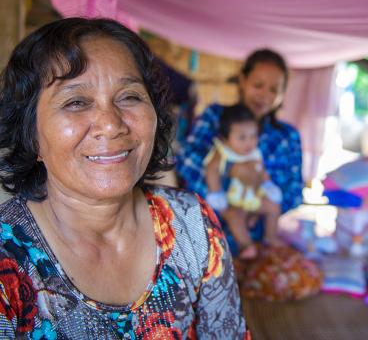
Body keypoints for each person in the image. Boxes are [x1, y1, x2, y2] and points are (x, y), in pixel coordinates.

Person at [0, 18, 249, 339]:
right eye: (76, 102)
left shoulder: (192, 224)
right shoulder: (9, 262)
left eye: (129, 96)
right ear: (31, 135)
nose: (111, 124)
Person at [176, 49, 303, 254]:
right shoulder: (215, 116)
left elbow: (294, 193)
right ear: (243, 81)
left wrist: (256, 208)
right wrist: (231, 173)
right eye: (258, 85)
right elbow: (186, 160)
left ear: (283, 93)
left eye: (274, 89)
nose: (264, 95)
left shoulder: (288, 137)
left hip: (260, 237)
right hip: (209, 234)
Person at [204, 104, 283, 259]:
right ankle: (246, 245)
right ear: (227, 137)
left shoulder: (255, 152)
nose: (249, 142)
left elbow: (261, 170)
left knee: (274, 207)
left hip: (254, 197)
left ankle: (270, 236)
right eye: (242, 137)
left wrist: (268, 184)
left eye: (253, 136)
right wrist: (216, 192)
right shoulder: (223, 152)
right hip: (235, 201)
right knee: (235, 217)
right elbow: (211, 170)